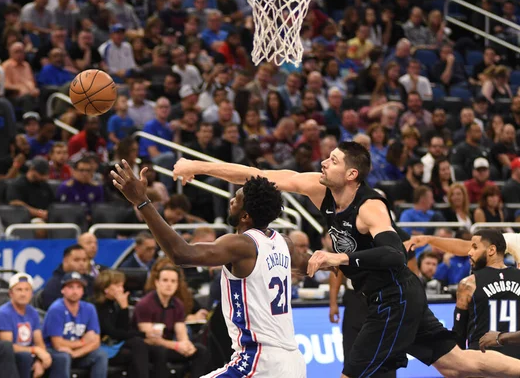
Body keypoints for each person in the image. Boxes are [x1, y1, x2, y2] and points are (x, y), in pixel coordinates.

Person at [172, 141, 520, 377]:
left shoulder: (369, 207)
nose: (324, 162)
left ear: (352, 174)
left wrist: (338, 259)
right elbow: (258, 176)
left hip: (393, 299)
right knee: (456, 364)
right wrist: (197, 166)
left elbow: (394, 253)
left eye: (334, 161)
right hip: (390, 297)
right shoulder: (319, 189)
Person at [111, 161, 308, 377]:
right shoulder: (284, 242)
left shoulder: (240, 244)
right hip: (293, 362)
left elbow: (181, 254)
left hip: (259, 360)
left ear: (245, 216)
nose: (231, 200)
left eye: (237, 200)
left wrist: (142, 202)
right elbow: (309, 264)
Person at [408, 230, 520, 358]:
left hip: (482, 359)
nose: (469, 252)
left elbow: (459, 335)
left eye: (474, 247)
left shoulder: (469, 284)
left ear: (491, 250)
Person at [0, 273, 66, 378]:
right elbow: (8, 348)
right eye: (19, 290)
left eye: (27, 290)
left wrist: (40, 361)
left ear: (31, 293)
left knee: (61, 358)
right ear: (11, 293)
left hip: (29, 353)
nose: (23, 294)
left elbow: (39, 342)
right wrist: (35, 351)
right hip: (7, 359)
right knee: (24, 356)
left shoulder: (33, 312)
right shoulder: (3, 313)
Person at [93, 270, 165, 377]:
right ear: (105, 288)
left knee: (157, 350)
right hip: (102, 347)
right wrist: (144, 334)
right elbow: (112, 333)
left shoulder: (114, 304)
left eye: (122, 286)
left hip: (115, 344)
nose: (121, 290)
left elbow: (123, 329)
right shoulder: (97, 307)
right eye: (117, 286)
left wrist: (124, 308)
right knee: (137, 344)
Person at [42, 272, 108, 377]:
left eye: (78, 287)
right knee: (64, 356)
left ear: (82, 291)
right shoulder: (56, 309)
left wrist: (76, 353)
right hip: (54, 352)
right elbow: (57, 344)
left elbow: (95, 342)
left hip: (76, 352)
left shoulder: (89, 308)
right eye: (70, 287)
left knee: (100, 355)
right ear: (63, 290)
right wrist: (83, 341)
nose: (75, 291)